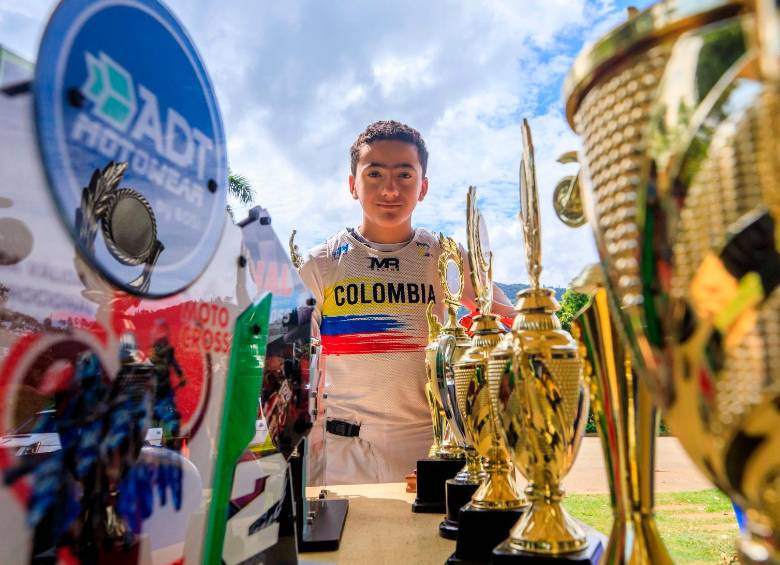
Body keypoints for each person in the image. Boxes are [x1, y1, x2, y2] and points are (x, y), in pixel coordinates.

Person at [298, 120, 514, 484]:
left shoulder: (446, 257)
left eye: (404, 175)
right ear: (353, 184)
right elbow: (293, 362)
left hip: (429, 448)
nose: (390, 189)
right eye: (375, 173)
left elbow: (502, 329)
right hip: (343, 452)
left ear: (423, 187)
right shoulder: (322, 263)